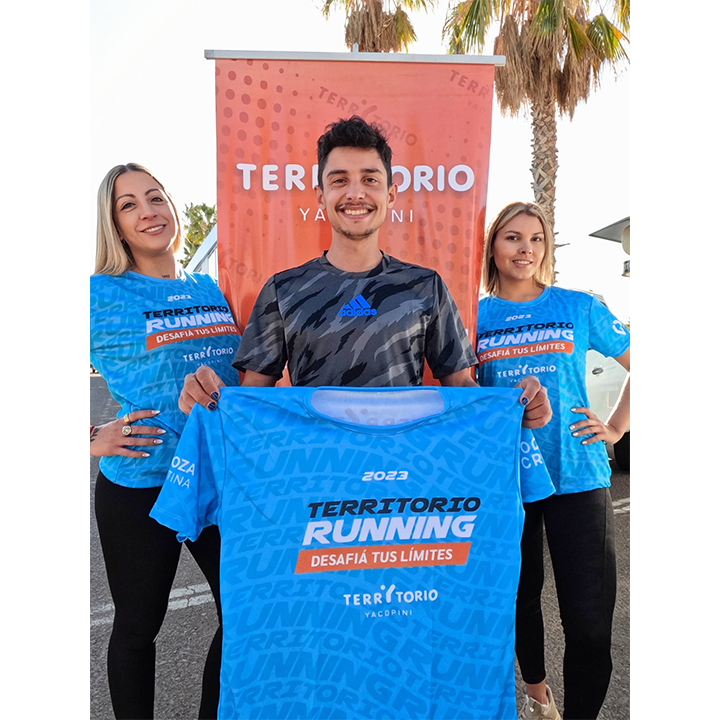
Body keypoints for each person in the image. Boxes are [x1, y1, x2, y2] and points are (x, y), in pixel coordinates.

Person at [179, 116, 551, 430]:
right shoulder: (283, 289)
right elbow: (250, 402)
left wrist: (515, 407)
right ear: (319, 196)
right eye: (339, 180)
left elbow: (463, 388)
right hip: (314, 475)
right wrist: (207, 399)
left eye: (370, 179)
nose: (355, 193)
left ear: (390, 194)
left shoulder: (425, 287)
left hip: (403, 476)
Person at [90, 163, 241, 720]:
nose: (148, 211)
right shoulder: (100, 294)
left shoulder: (210, 288)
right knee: (138, 626)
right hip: (141, 484)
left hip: (214, 479)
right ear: (114, 225)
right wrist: (90, 436)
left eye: (155, 197)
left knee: (241, 614)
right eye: (128, 204)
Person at [474, 201, 630, 720]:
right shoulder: (471, 316)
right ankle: (539, 695)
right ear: (492, 246)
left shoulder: (578, 306)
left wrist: (616, 427)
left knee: (589, 624)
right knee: (519, 602)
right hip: (506, 482)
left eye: (536, 239)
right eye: (513, 237)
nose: (526, 249)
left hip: (578, 477)